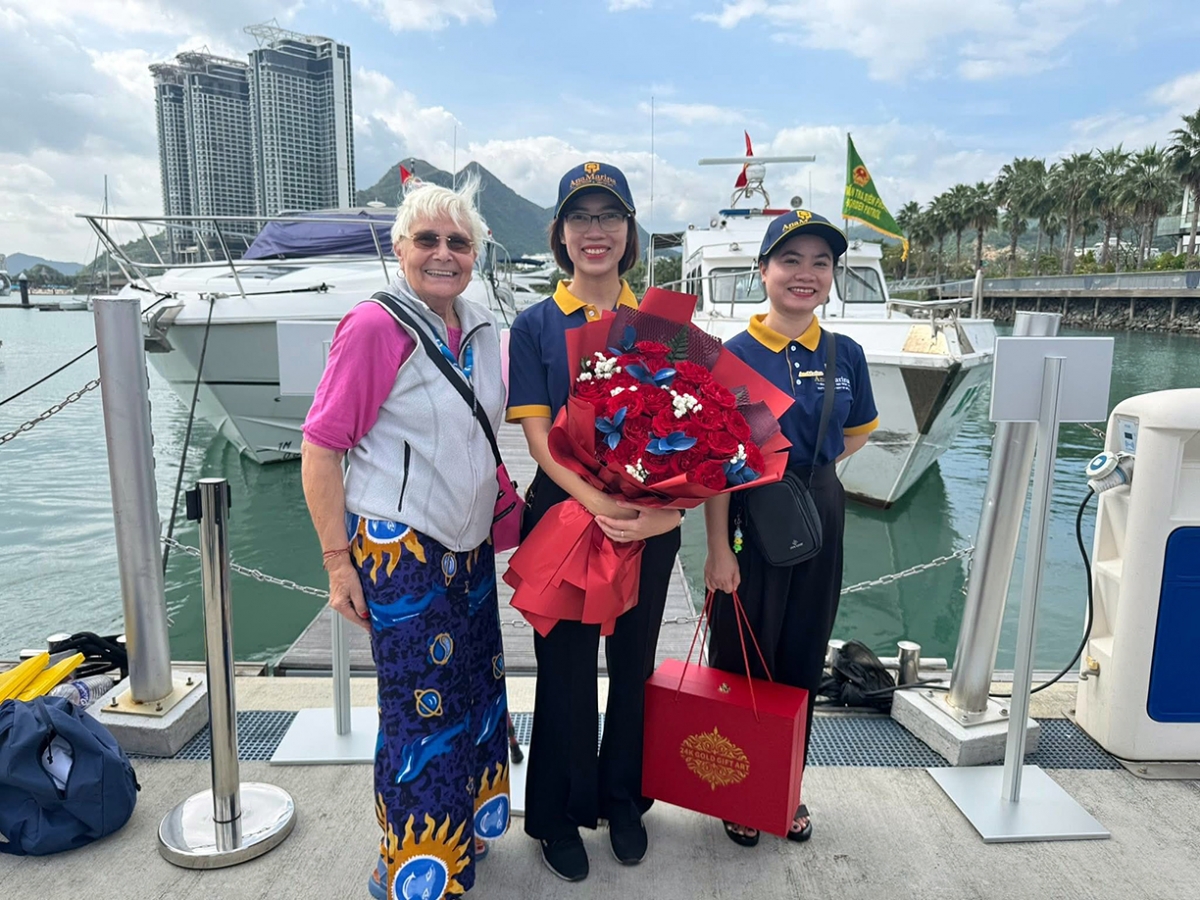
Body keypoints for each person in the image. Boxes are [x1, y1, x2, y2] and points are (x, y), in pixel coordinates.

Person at [300, 176, 510, 900]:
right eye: (428, 240)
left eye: (459, 241)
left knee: (475, 691)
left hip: (470, 546)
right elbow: (322, 448)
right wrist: (337, 562)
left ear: (476, 253)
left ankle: (469, 834)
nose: (444, 254)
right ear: (399, 249)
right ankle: (420, 870)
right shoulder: (373, 326)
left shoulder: (483, 324)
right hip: (403, 549)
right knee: (421, 712)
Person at [505, 162, 683, 882]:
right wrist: (598, 502)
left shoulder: (663, 322)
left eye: (610, 216)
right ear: (559, 234)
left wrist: (657, 511)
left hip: (649, 514)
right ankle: (556, 814)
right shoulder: (536, 324)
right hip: (568, 510)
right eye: (581, 217)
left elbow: (693, 431)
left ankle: (626, 798)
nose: (596, 231)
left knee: (636, 664)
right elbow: (540, 439)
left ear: (630, 231)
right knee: (567, 669)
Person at [703, 210, 878, 848]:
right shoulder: (731, 357)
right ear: (763, 272)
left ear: (832, 277)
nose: (805, 275)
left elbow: (856, 431)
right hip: (752, 512)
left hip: (819, 510)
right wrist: (719, 549)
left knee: (803, 654)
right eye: (790, 261)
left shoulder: (846, 354)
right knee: (744, 655)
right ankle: (735, 787)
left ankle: (783, 786)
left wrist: (812, 481)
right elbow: (716, 463)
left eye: (820, 263)